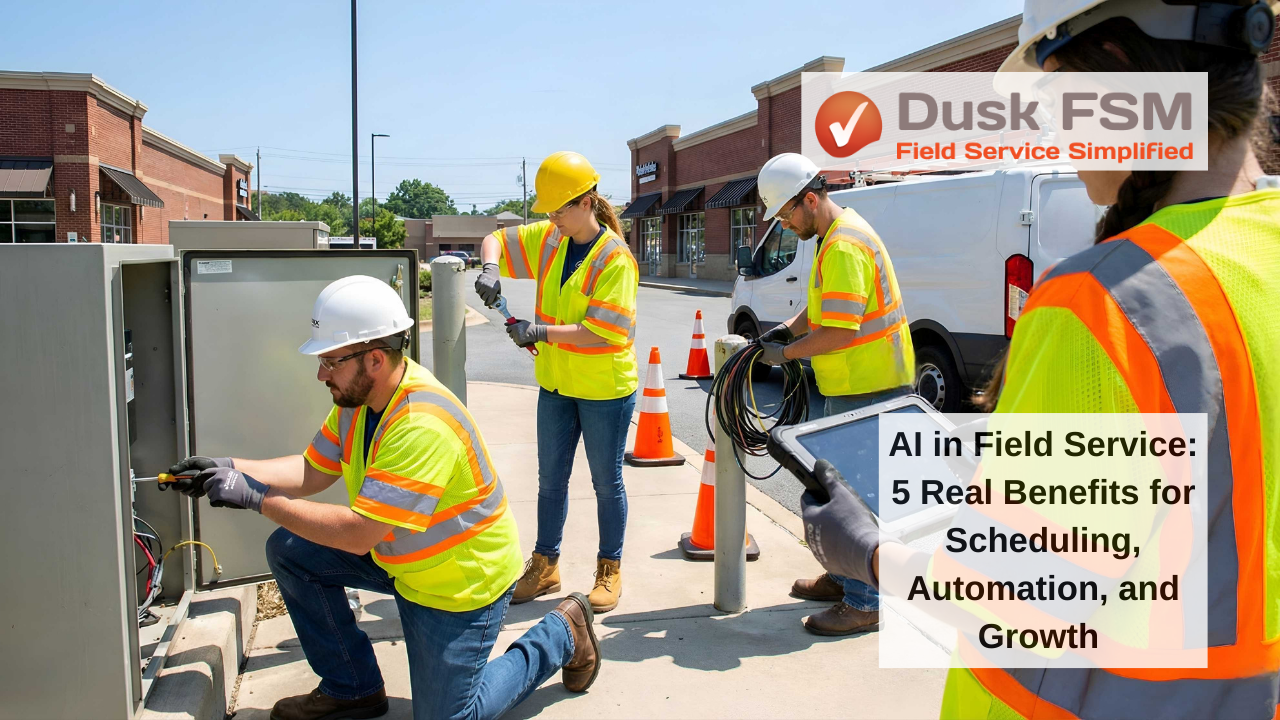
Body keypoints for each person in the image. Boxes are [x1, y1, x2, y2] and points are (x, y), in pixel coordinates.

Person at [801, 0, 1280, 716]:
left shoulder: (1102, 304)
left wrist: (865, 553)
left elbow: (1024, 601)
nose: (1054, 137)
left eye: (1056, 100)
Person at [161, 275, 602, 720]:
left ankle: (561, 633)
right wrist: (232, 468)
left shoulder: (420, 423)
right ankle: (351, 688)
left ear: (373, 358)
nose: (321, 373)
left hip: (458, 583)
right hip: (402, 559)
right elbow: (312, 469)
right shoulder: (359, 402)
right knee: (291, 550)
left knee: (451, 716)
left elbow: (359, 534)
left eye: (330, 360)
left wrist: (258, 498)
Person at [753, 152, 916, 636]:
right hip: (854, 384)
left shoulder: (844, 245)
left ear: (810, 198)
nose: (784, 223)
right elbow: (822, 309)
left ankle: (865, 600)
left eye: (786, 214)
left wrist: (783, 356)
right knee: (833, 490)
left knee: (856, 499)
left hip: (869, 386)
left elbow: (840, 332)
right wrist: (784, 330)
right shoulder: (834, 236)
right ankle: (846, 577)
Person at [474, 151, 639, 613]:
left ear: (586, 202)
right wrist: (490, 267)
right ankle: (545, 565)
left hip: (605, 390)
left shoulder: (615, 259)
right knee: (551, 482)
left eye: (560, 210)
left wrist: (538, 331)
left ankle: (610, 568)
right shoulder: (552, 239)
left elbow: (601, 331)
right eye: (548, 212)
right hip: (557, 386)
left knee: (607, 483)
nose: (553, 219)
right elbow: (495, 239)